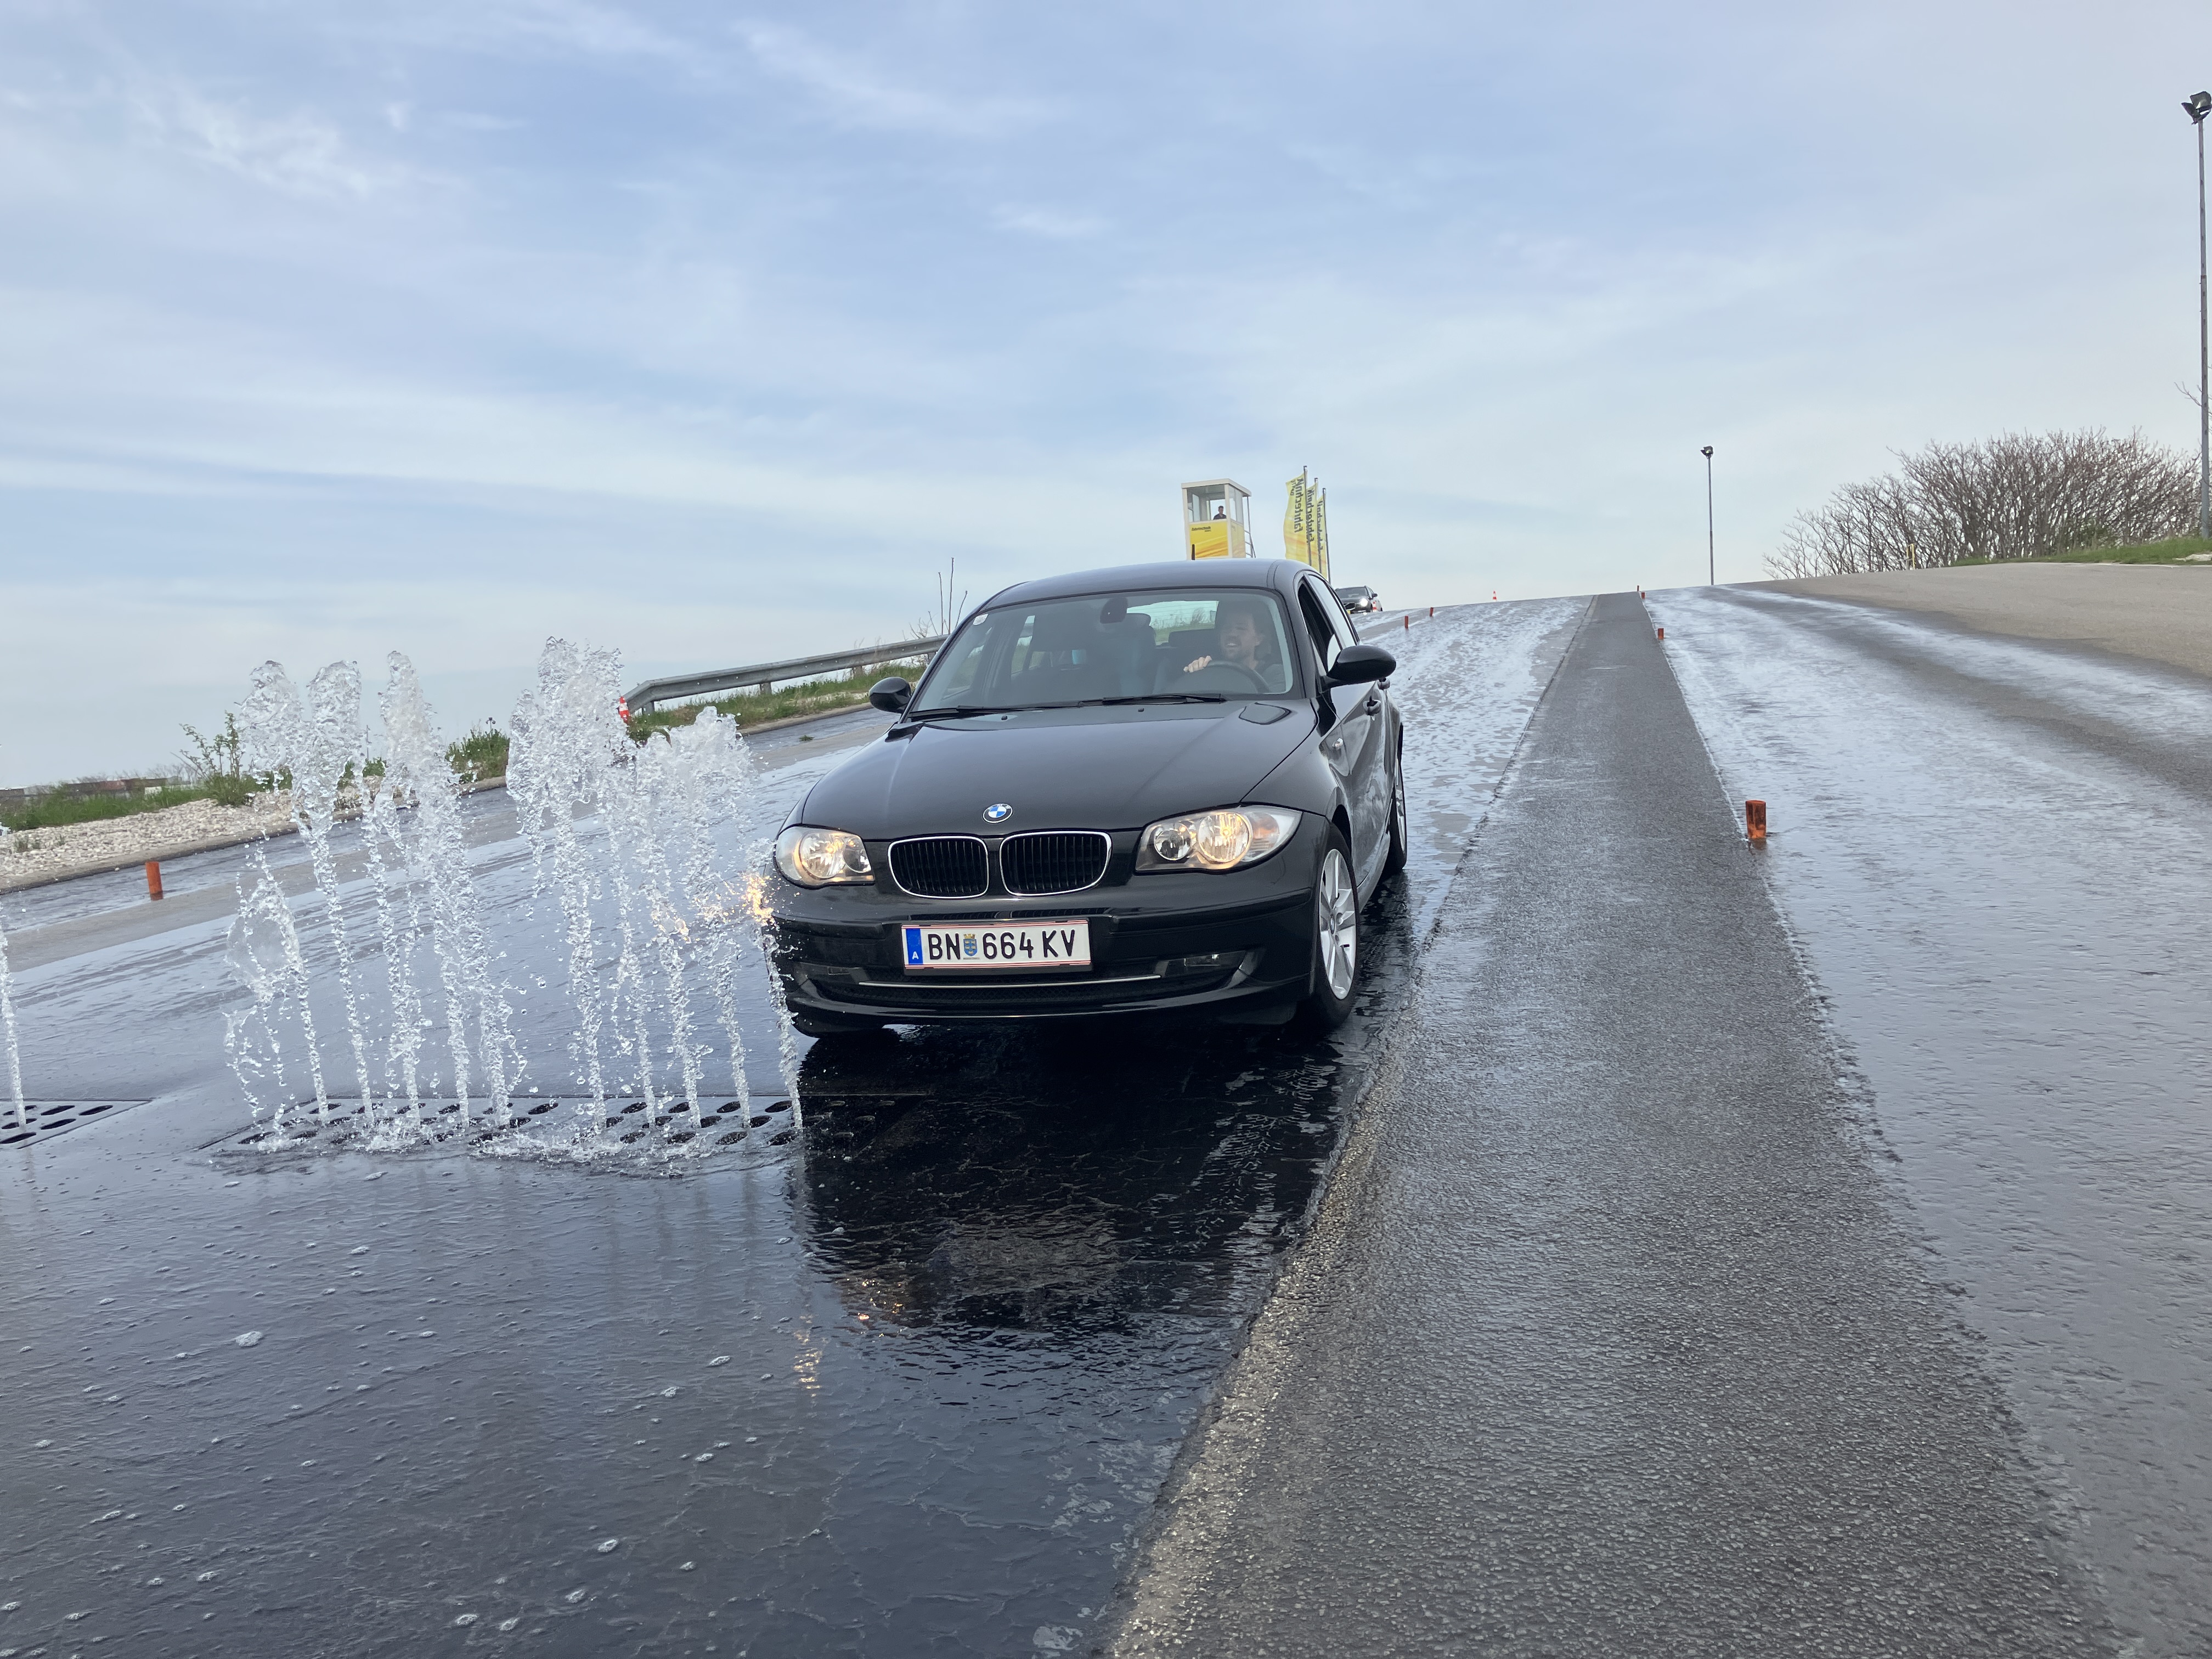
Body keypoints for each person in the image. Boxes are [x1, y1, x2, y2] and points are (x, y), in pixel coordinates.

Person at [1182, 599, 1277, 684]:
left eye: (1241, 628)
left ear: (1258, 639)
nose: (1232, 634)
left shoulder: (1274, 674)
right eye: (1227, 628)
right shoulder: (1211, 671)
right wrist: (1198, 674)